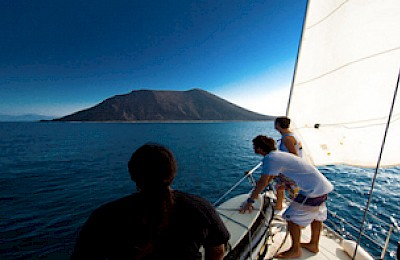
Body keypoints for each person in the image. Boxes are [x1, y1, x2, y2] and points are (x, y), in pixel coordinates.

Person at [72, 143, 230, 260]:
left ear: (133, 175)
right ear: (173, 173)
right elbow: (217, 251)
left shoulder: (104, 216)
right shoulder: (201, 208)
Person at [240, 135, 333, 259]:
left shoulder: (270, 158)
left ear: (260, 148)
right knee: (317, 216)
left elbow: (263, 181)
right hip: (322, 187)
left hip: (312, 191)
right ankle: (313, 245)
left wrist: (250, 201)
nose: (254, 149)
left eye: (254, 146)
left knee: (291, 218)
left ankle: (295, 250)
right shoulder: (278, 155)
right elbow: (271, 177)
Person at [274, 116, 302, 210]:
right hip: (286, 170)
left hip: (290, 171)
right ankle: (278, 206)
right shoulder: (291, 136)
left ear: (278, 125)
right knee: (279, 186)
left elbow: (294, 156)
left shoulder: (287, 139)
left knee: (293, 192)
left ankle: (297, 212)